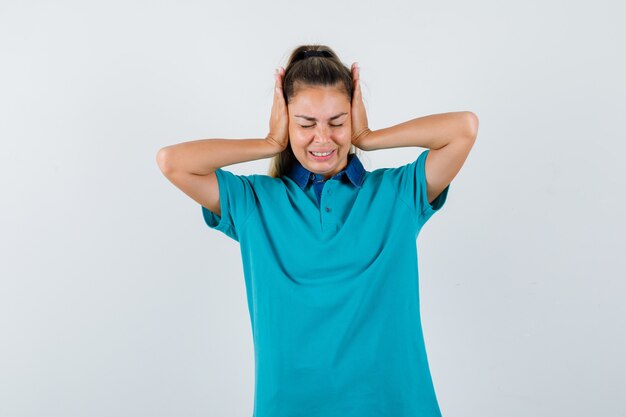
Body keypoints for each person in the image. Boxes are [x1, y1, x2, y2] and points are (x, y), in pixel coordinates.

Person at [156, 44, 478, 417]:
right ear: (286, 121)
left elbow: (464, 128)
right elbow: (172, 162)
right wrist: (268, 143)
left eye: (337, 123)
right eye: (306, 124)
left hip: (396, 405)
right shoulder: (254, 204)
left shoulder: (396, 194)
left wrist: (369, 136)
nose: (323, 138)